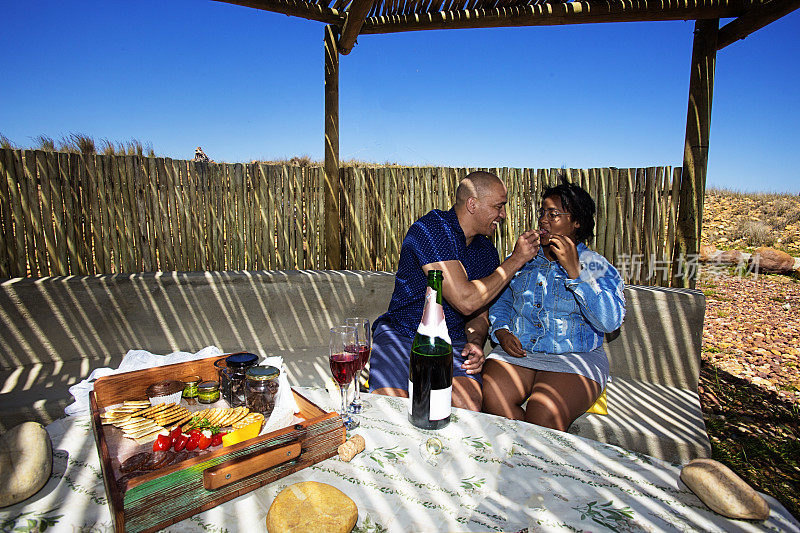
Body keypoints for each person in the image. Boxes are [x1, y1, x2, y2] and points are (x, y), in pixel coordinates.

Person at [369, 171, 540, 411]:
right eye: (498, 206)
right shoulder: (431, 230)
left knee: (467, 406)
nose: (502, 215)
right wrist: (517, 260)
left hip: (451, 340)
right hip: (402, 334)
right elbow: (465, 300)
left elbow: (478, 313)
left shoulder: (486, 251)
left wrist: (475, 341)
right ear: (472, 204)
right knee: (390, 409)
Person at [482, 179, 625, 431]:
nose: (543, 221)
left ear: (576, 222)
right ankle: (522, 462)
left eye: (553, 214)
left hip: (575, 357)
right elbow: (500, 300)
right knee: (493, 399)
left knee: (543, 416)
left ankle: (531, 462)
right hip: (520, 352)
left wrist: (575, 274)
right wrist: (502, 331)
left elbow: (610, 321)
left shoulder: (595, 265)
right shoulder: (523, 257)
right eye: (542, 213)